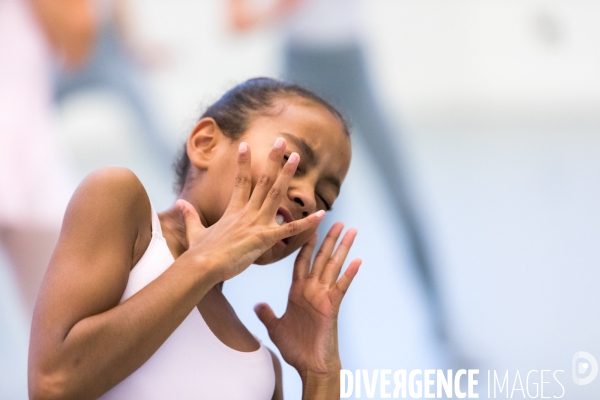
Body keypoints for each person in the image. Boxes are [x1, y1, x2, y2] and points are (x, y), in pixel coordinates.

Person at [28, 78, 361, 400]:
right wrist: (204, 262)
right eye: (290, 161)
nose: (308, 198)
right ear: (206, 144)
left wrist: (320, 376)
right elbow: (53, 385)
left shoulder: (263, 372)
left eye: (325, 197)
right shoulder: (118, 199)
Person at [228, 0, 449, 344]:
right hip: (303, 71)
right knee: (314, 216)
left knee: (404, 199)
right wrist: (282, 8)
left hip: (351, 65)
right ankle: (322, 340)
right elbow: (237, 20)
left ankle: (444, 329)